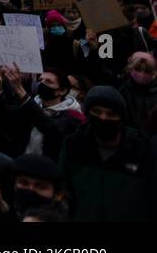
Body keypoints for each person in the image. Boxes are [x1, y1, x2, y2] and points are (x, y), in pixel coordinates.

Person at [59, 85, 157, 222]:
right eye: (97, 112)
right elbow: (64, 188)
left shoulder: (140, 147)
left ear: (121, 118)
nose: (103, 118)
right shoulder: (74, 144)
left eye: (111, 114)